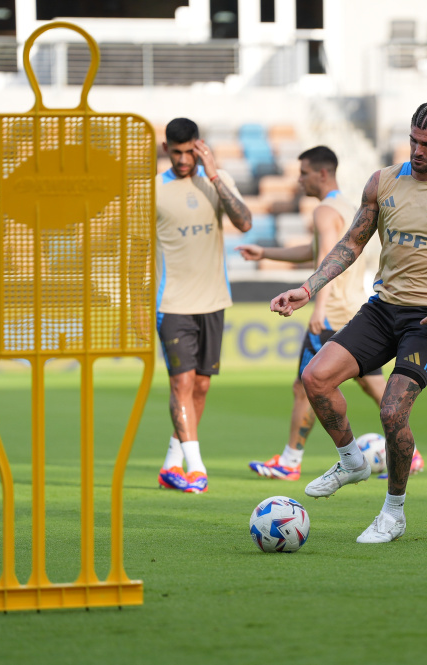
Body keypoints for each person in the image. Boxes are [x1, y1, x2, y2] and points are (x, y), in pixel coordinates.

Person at [270, 101, 427, 543]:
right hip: (382, 308)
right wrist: (308, 288)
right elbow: (351, 243)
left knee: (392, 409)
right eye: (413, 140)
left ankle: (393, 513)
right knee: (315, 378)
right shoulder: (383, 181)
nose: (417, 150)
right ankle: (352, 461)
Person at [237, 145, 423, 480]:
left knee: (305, 385)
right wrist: (265, 252)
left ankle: (290, 461)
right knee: (376, 387)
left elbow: (325, 257)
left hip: (332, 313)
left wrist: (317, 308)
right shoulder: (347, 206)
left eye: (304, 173)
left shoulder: (323, 211)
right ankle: (413, 453)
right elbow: (317, 252)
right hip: (355, 311)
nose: (299, 180)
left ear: (322, 173)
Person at [155, 117, 252, 494]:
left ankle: (171, 464)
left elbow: (244, 222)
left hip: (213, 300)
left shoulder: (217, 179)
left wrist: (213, 174)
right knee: (181, 382)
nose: (182, 160)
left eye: (188, 151)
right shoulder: (152, 190)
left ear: (199, 147)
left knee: (200, 387)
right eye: (176, 152)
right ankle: (196, 469)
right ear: (166, 149)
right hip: (172, 302)